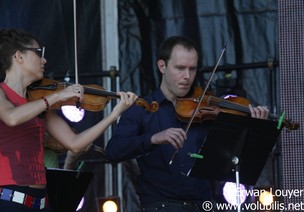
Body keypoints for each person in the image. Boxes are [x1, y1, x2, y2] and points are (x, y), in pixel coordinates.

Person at [105, 36, 269, 211]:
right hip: (160, 206)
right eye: (180, 68)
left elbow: (233, 157)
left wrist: (255, 129)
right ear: (162, 66)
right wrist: (153, 138)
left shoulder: (205, 109)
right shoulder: (141, 108)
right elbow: (113, 151)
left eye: (192, 69)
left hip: (203, 205)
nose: (187, 77)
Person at [0, 28, 137, 212]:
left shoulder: (38, 103)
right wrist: (56, 97)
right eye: (39, 53)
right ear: (19, 56)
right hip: (9, 202)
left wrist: (114, 114)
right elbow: (11, 117)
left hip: (42, 203)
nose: (44, 60)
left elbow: (75, 143)